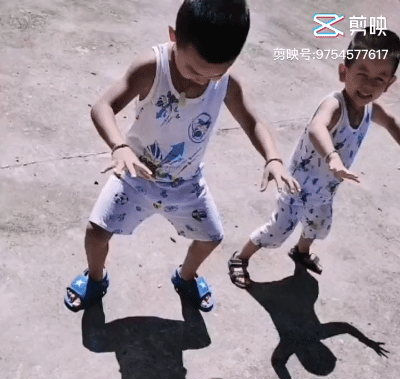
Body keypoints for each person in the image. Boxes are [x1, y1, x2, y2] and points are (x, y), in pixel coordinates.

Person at [65, 0, 298, 313]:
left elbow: (252, 121)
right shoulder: (153, 67)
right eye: (193, 70)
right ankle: (96, 278)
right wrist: (119, 146)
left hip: (186, 184)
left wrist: (273, 158)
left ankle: (185, 277)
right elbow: (102, 106)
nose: (201, 80)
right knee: (96, 233)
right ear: (174, 36)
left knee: (211, 238)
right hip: (135, 174)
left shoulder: (227, 83)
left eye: (214, 75)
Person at [228, 28, 400, 285]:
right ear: (344, 72)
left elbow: (393, 122)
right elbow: (317, 128)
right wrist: (332, 157)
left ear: (389, 84)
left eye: (379, 79)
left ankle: (301, 252)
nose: (368, 85)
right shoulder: (335, 104)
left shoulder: (371, 109)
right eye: (362, 74)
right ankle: (240, 258)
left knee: (317, 225)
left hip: (325, 189)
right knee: (278, 229)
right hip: (296, 185)